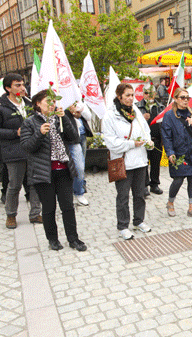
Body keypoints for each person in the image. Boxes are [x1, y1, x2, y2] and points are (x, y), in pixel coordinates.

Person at [20, 89, 87, 251]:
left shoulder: (59, 119)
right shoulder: (30, 122)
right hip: (44, 173)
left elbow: (74, 138)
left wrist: (65, 118)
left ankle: (73, 238)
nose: (52, 104)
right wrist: (39, 134)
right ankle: (53, 239)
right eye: (48, 101)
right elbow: (27, 147)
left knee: (68, 207)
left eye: (54, 101)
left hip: (63, 169)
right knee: (49, 208)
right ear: (37, 104)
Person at [102, 83, 154, 240]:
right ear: (119, 97)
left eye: (132, 95)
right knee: (123, 196)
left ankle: (139, 221)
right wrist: (132, 143)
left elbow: (146, 131)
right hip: (122, 162)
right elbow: (111, 142)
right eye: (127, 95)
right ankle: (123, 226)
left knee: (139, 194)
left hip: (140, 161)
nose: (131, 98)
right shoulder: (110, 116)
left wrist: (148, 141)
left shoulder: (136, 112)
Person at [0, 73, 42, 229]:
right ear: (8, 88)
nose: (22, 87)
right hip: (13, 151)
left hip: (32, 148)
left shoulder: (28, 103)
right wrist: (15, 133)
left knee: (34, 183)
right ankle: (11, 215)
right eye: (17, 85)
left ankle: (35, 213)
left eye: (22, 84)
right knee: (14, 185)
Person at [161, 87, 192, 219]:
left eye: (187, 98)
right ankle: (170, 203)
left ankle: (191, 208)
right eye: (182, 97)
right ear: (175, 99)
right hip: (178, 154)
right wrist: (170, 152)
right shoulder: (169, 116)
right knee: (178, 180)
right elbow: (166, 136)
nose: (186, 100)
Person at [136, 83, 164, 196]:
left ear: (155, 94)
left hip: (157, 139)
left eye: (151, 93)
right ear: (143, 94)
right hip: (143, 141)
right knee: (143, 163)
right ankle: (144, 186)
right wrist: (141, 118)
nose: (148, 95)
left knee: (156, 163)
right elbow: (131, 122)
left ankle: (154, 184)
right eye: (146, 93)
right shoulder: (137, 107)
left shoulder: (160, 107)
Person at [65, 102, 93, 206]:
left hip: (75, 139)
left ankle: (79, 192)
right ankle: (65, 194)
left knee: (80, 167)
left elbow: (87, 116)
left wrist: (77, 111)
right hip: (62, 138)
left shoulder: (76, 99)